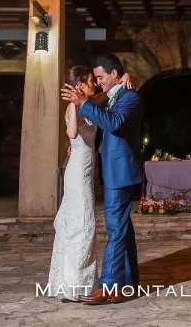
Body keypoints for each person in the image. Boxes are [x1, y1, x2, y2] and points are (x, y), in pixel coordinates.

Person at [60, 53, 144, 305]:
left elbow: (115, 123)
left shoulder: (131, 98)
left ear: (114, 74)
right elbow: (98, 104)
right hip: (114, 171)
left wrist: (84, 103)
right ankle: (128, 285)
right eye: (94, 78)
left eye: (100, 77)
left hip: (121, 173)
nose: (97, 82)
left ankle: (108, 286)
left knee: (115, 230)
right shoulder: (117, 93)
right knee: (123, 230)